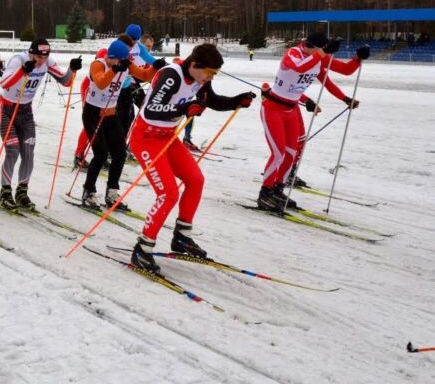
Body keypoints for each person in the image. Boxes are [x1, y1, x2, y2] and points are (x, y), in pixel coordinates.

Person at [129, 43, 255, 273]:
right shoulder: (171, 75)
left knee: (195, 180)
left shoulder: (200, 79)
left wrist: (237, 101)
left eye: (214, 74)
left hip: (167, 137)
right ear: (195, 64)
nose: (210, 78)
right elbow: (151, 110)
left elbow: (211, 101)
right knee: (168, 193)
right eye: (209, 72)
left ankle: (182, 237)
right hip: (146, 138)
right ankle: (142, 249)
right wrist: (184, 108)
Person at [257, 33, 365, 212]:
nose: (325, 56)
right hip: (273, 109)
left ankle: (277, 189)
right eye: (321, 51)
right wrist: (322, 53)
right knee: (278, 153)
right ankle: (264, 193)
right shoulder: (293, 54)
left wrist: (358, 58)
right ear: (310, 46)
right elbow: (299, 68)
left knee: (291, 154)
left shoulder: (318, 58)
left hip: (291, 110)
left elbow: (344, 71)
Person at [0, 38, 81, 209]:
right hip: (6, 109)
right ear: (31, 53)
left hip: (26, 111)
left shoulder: (47, 62)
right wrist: (22, 71)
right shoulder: (18, 60)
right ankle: (5, 191)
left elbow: (66, 82)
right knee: (12, 150)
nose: (41, 61)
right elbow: (4, 83)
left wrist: (72, 69)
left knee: (28, 151)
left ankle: (22, 191)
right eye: (38, 57)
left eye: (44, 57)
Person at [80, 39, 159, 210]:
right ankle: (88, 191)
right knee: (100, 154)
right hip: (93, 114)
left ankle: (112, 192)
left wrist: (155, 66)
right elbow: (101, 82)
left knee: (120, 153)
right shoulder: (98, 64)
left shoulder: (125, 64)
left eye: (119, 61)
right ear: (110, 56)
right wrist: (115, 69)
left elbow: (145, 75)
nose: (115, 62)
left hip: (110, 114)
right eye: (114, 60)